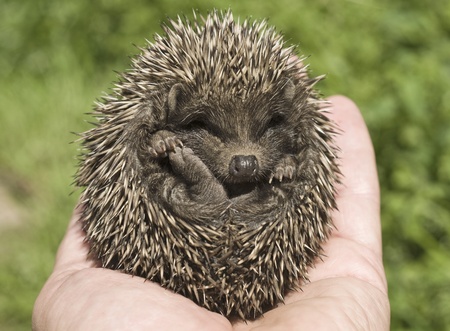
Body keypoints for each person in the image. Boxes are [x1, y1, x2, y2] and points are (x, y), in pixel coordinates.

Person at [32, 96, 390, 330]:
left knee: (282, 191)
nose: (246, 158)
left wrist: (289, 162)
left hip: (251, 227)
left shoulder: (294, 127)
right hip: (177, 229)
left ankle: (207, 197)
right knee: (152, 180)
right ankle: (206, 198)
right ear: (171, 105)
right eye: (209, 130)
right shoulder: (156, 119)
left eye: (265, 129)